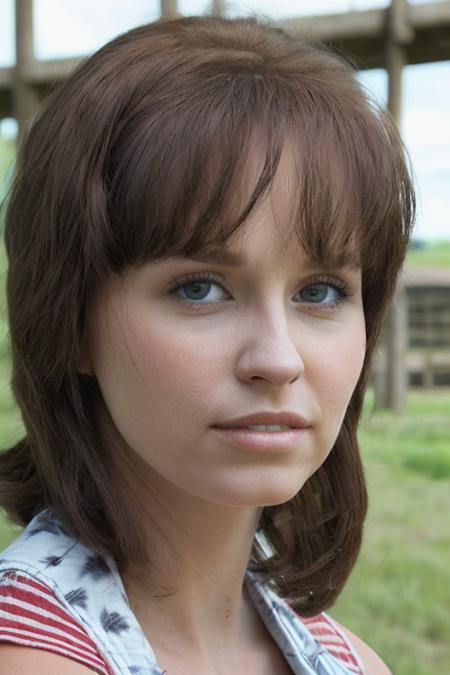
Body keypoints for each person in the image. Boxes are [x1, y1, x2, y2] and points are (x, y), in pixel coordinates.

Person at [0, 14, 414, 675]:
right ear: (69, 319)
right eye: (199, 288)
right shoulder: (29, 657)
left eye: (320, 291)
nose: (278, 359)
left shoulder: (349, 659)